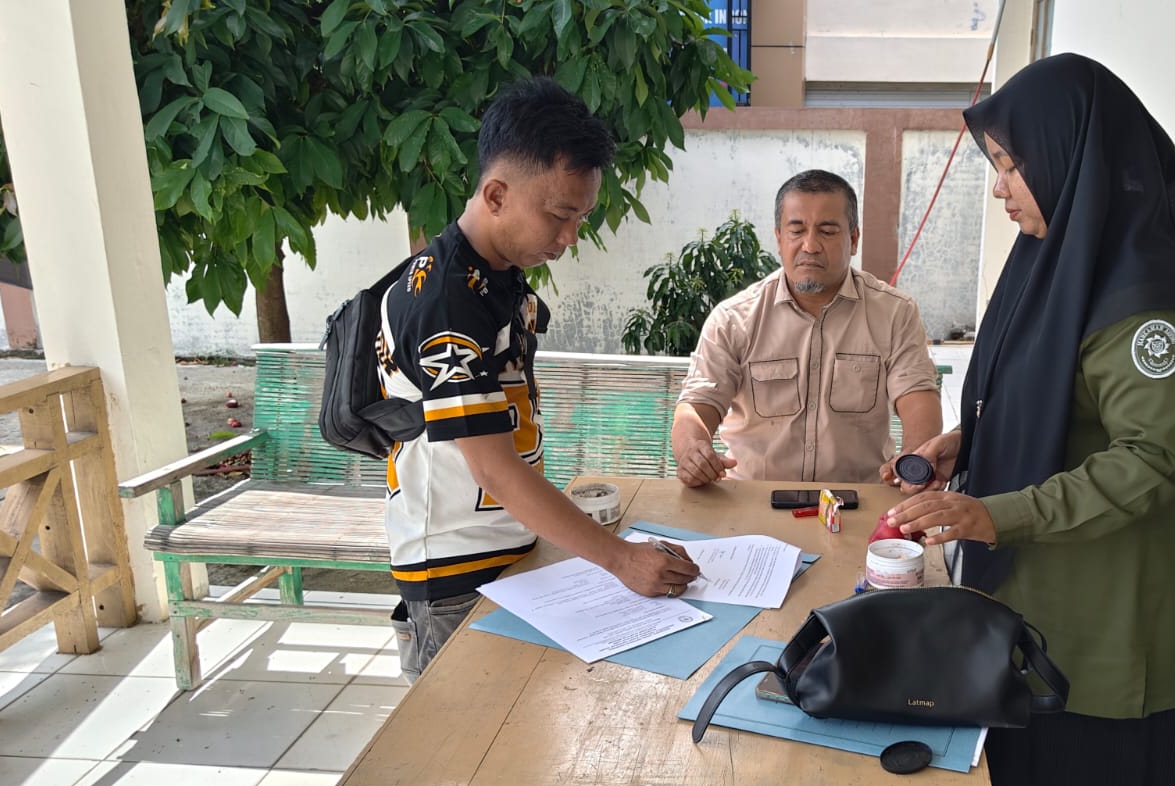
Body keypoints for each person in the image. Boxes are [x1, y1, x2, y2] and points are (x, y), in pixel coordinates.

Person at [885, 54, 1175, 786]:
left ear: (1072, 157)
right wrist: (969, 442)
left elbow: (1150, 460)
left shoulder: (1147, 303)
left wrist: (994, 514)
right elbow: (1042, 398)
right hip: (1039, 617)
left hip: (1111, 635)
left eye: (1012, 164)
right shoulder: (1059, 265)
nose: (1002, 189)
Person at [379, 78, 699, 684]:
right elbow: (494, 469)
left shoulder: (496, 276)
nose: (571, 236)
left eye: (581, 217)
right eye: (559, 214)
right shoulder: (446, 298)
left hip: (509, 552)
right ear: (496, 194)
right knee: (465, 737)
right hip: (454, 573)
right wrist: (621, 560)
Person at [672, 170, 942, 486]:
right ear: (779, 238)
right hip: (752, 500)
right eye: (796, 230)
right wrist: (693, 450)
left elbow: (918, 396)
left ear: (853, 239)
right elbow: (697, 404)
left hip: (858, 499)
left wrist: (914, 458)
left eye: (827, 231)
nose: (810, 246)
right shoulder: (733, 319)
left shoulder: (895, 313)